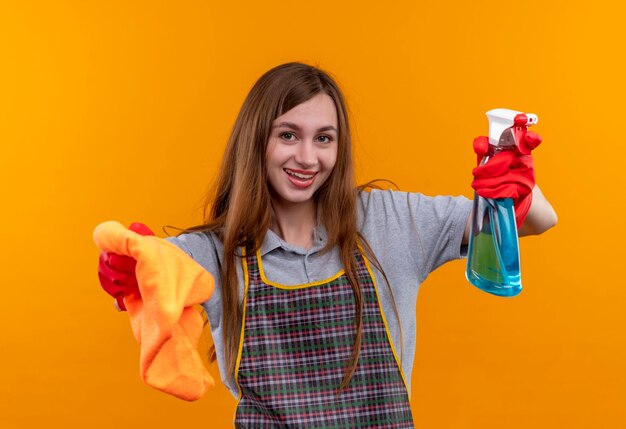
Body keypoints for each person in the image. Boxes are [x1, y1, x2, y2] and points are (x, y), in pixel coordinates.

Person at [97, 62, 557, 427]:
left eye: (324, 139)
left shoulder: (387, 222)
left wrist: (514, 180)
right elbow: (152, 278)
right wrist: (127, 269)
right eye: (288, 135)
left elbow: (540, 221)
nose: (307, 157)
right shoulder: (212, 253)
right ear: (257, 141)